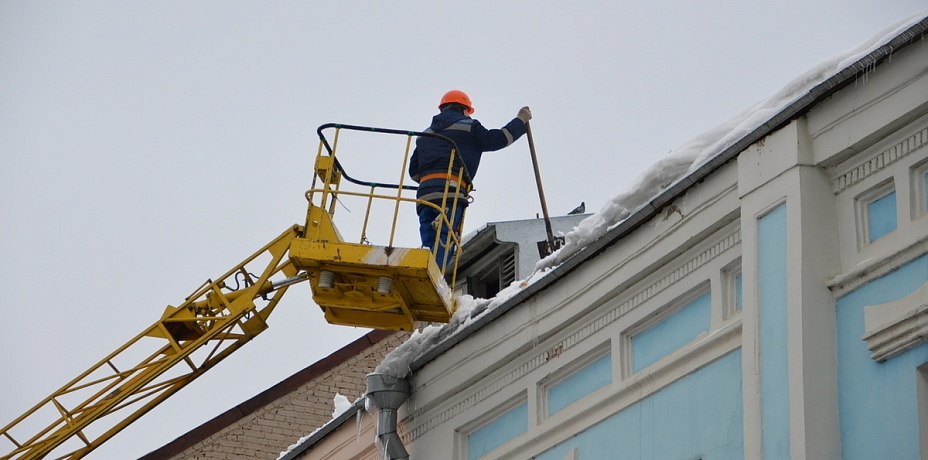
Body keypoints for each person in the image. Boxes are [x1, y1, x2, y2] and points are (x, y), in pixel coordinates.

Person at [408, 89, 532, 270]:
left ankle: (423, 270)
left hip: (425, 194)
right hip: (451, 191)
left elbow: (414, 172)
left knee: (428, 241)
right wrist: (520, 121)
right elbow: (498, 139)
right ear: (464, 109)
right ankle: (434, 276)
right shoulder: (469, 126)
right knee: (445, 238)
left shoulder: (424, 135)